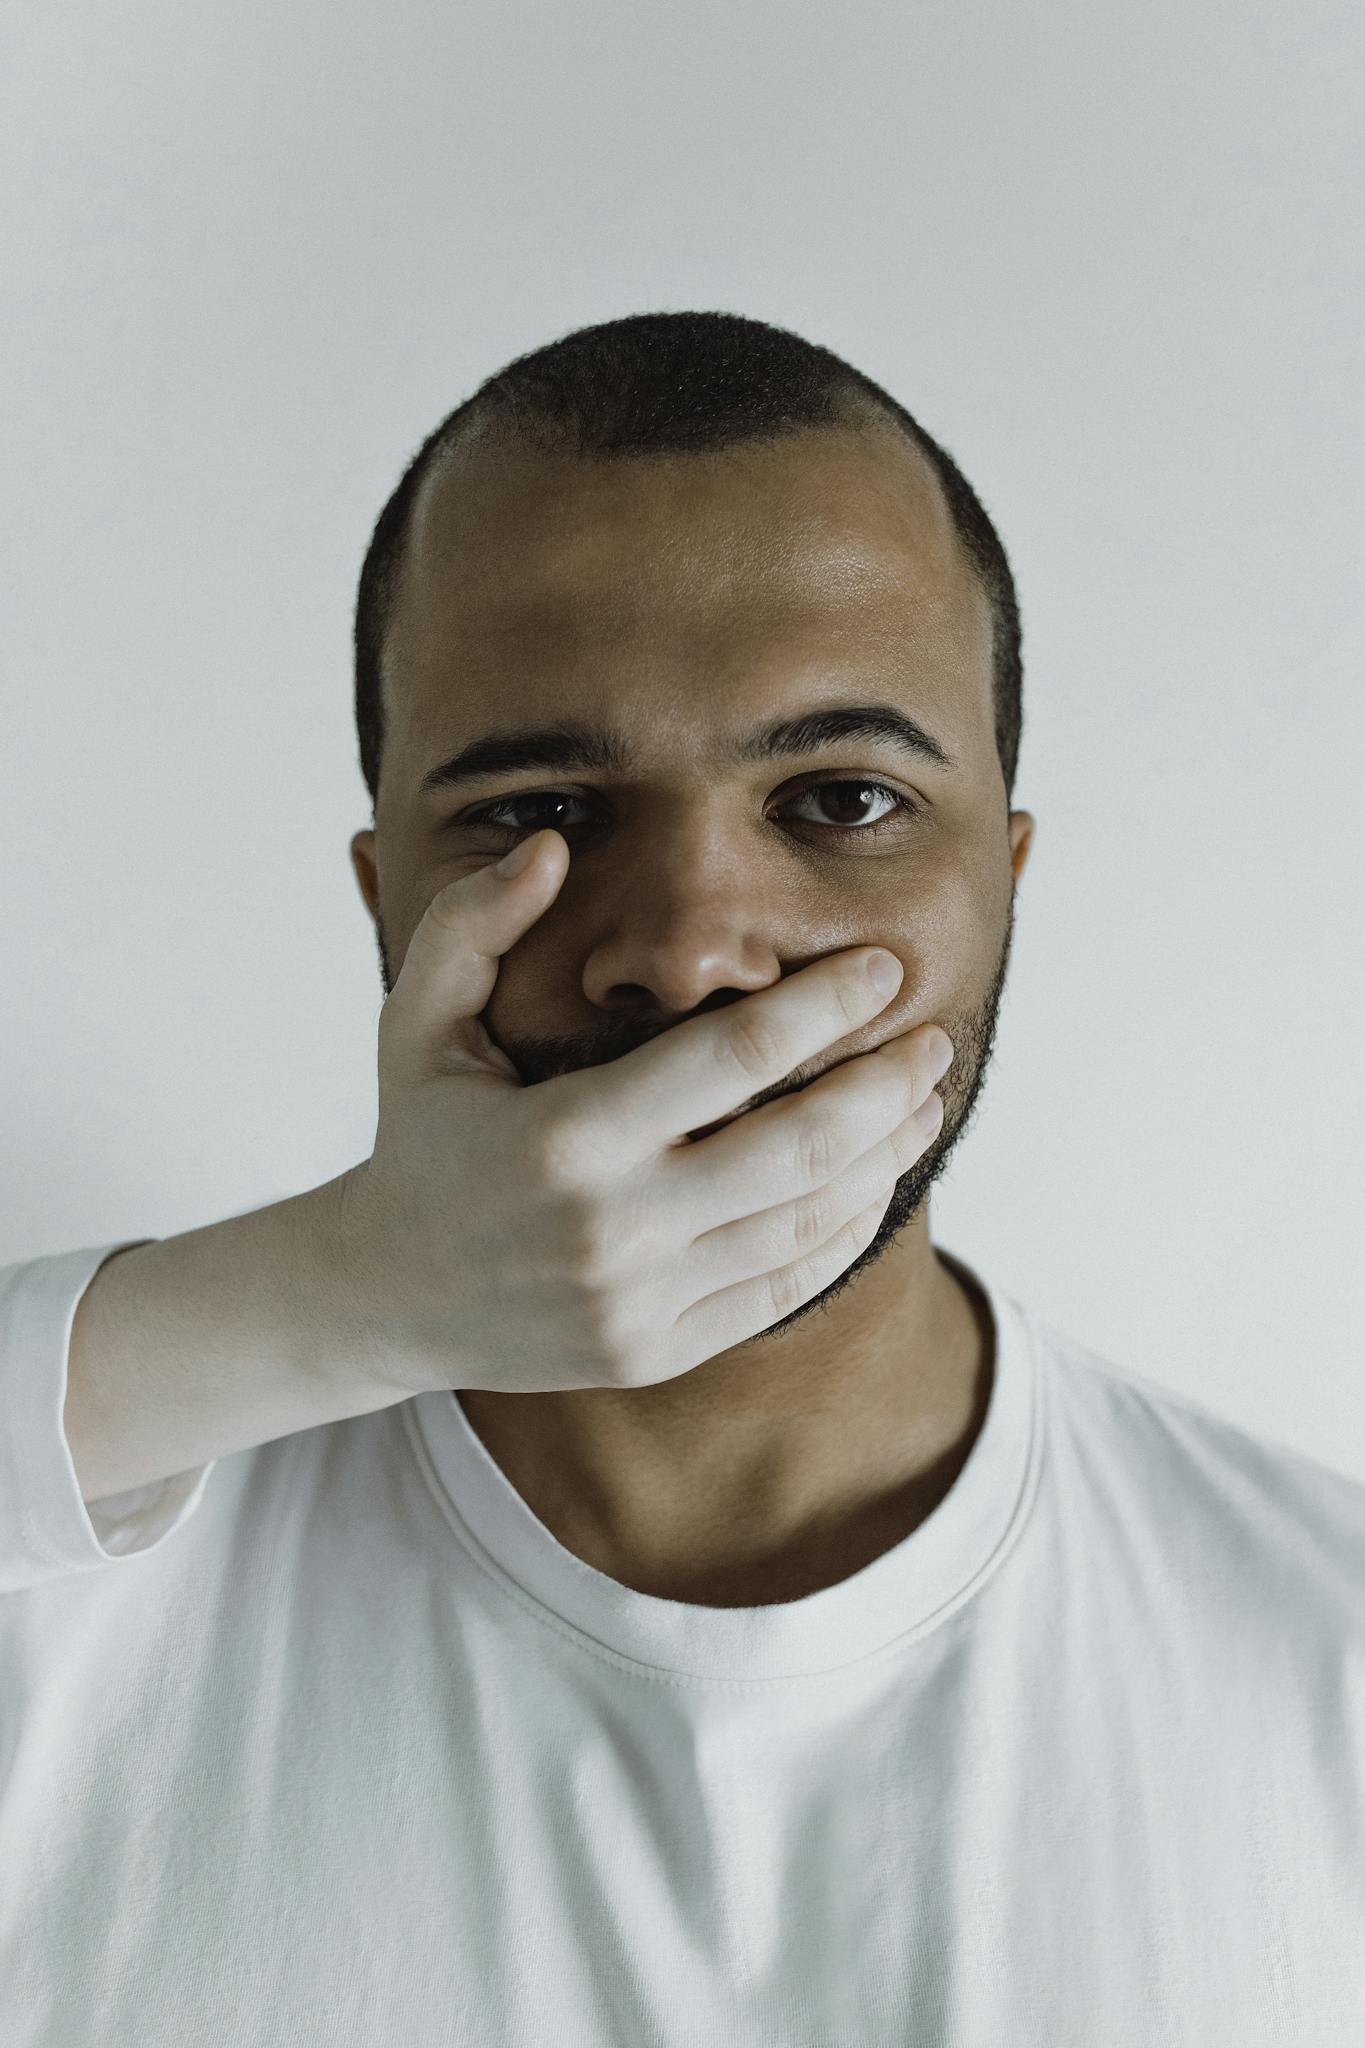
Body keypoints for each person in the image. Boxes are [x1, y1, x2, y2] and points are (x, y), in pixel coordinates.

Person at [3, 310, 1362, 2046]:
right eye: (536, 813)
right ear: (383, 894)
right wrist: (335, 1293)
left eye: (842, 799)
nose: (690, 950)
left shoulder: (1325, 1666)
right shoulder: (59, 1627)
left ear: (1004, 876)